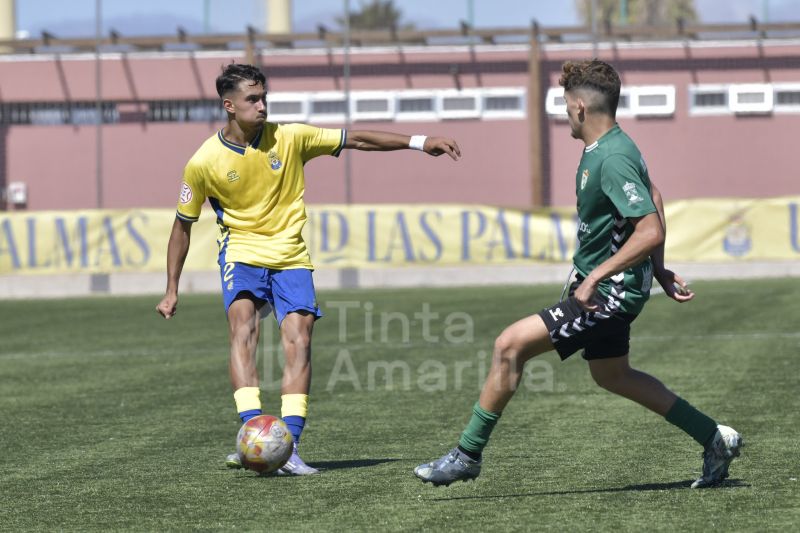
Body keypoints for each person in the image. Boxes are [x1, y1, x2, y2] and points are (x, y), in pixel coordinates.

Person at [413, 59, 742, 489]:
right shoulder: (613, 149)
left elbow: (649, 227)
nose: (564, 114)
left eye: (567, 106)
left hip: (609, 294)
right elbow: (654, 195)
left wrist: (596, 276)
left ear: (582, 108)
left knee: (509, 345)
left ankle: (467, 454)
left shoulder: (612, 157)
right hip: (613, 289)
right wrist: (658, 270)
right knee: (612, 374)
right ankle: (713, 437)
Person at [156, 63, 461, 475]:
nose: (262, 106)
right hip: (241, 253)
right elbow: (182, 225)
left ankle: (289, 447)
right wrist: (172, 287)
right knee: (243, 327)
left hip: (291, 255)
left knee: (299, 338)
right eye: (253, 99)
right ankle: (254, 434)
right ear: (229, 105)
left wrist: (421, 142)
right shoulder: (203, 162)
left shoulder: (292, 136)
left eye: (264, 97)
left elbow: (357, 139)